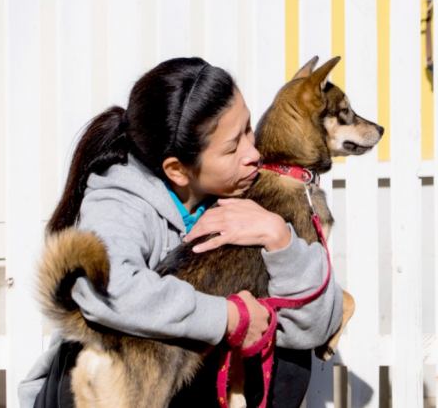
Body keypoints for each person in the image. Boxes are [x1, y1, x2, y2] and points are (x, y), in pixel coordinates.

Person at [18, 57, 343, 408]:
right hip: (110, 389)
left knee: (291, 363)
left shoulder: (251, 195)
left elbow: (313, 329)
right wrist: (226, 317)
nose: (253, 153)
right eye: (233, 147)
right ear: (177, 170)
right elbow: (108, 289)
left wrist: (279, 237)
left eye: (249, 128)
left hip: (184, 387)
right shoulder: (121, 201)